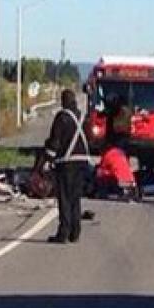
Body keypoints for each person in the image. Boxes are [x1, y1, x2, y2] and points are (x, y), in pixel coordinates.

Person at [45, 89, 92, 243]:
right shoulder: (82, 117)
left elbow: (55, 142)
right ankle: (75, 232)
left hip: (66, 162)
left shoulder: (62, 117)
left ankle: (63, 232)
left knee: (64, 198)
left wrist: (47, 159)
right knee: (75, 197)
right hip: (82, 161)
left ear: (63, 101)